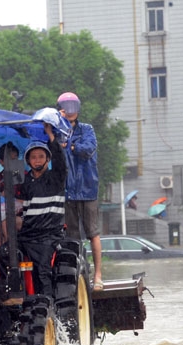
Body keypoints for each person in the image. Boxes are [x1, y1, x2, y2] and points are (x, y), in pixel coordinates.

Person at [57, 92, 103, 292]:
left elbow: (88, 149)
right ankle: (78, 274)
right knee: (72, 237)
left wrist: (71, 145)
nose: (70, 110)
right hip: (67, 191)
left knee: (92, 232)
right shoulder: (57, 131)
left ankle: (99, 274)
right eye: (65, 107)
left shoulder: (86, 129)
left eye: (72, 106)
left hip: (87, 188)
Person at [16, 123, 67, 297]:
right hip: (27, 234)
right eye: (33, 157)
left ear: (48, 159)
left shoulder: (56, 178)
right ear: (28, 161)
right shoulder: (25, 182)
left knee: (43, 270)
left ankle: (47, 308)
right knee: (6, 258)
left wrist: (50, 135)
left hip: (49, 234)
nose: (37, 160)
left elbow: (61, 160)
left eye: (41, 156)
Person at [0, 142, 24, 243]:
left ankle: (13, 250)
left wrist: (14, 201)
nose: (13, 162)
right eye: (10, 160)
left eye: (15, 159)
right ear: (1, 162)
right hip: (1, 214)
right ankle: (2, 253)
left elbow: (31, 200)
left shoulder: (24, 176)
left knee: (10, 221)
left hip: (23, 215)